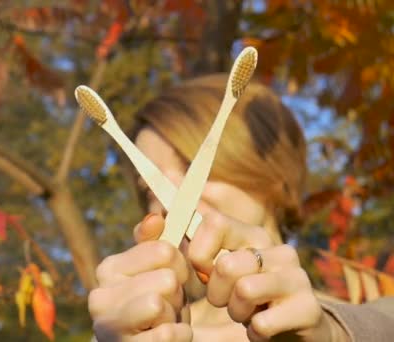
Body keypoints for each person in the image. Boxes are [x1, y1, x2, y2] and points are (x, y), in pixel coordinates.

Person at [88, 73, 394, 341]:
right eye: (149, 187)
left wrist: (333, 335)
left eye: (192, 167)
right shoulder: (125, 334)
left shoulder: (370, 325)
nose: (170, 200)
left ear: (275, 175)